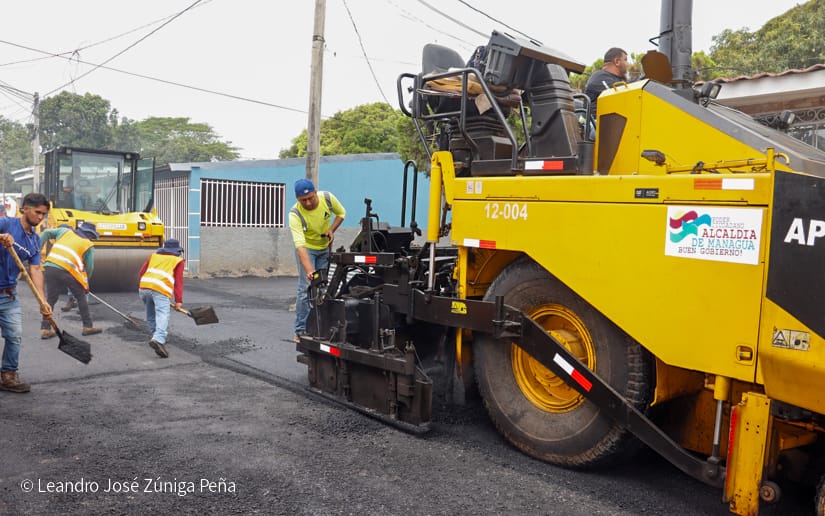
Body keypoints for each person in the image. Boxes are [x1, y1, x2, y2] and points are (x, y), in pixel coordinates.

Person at [0, 193, 52, 393]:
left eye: (43, 214)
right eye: (38, 212)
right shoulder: (5, 223)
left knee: (14, 335)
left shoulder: (35, 241)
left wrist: (43, 301)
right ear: (25, 209)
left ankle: (8, 376)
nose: (40, 218)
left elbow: (36, 270)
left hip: (8, 295)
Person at [288, 178, 346, 343]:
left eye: (310, 198)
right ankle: (300, 331)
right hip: (308, 251)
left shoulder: (327, 198)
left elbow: (341, 213)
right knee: (307, 288)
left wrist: (331, 229)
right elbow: (300, 246)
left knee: (322, 287)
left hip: (324, 249)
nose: (307, 203)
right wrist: (309, 272)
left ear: (315, 192)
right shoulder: (295, 214)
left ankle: (320, 327)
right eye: (302, 200)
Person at [39, 221, 102, 339]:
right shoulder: (88, 244)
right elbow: (89, 267)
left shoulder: (65, 231)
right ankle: (87, 327)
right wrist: (85, 284)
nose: (92, 239)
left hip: (50, 267)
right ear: (90, 235)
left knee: (51, 298)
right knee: (81, 296)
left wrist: (37, 249)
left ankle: (45, 329)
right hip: (66, 271)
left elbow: (46, 232)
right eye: (93, 237)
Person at [137, 238, 185, 358]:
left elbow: (141, 273)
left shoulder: (154, 256)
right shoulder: (178, 261)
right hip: (159, 289)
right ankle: (158, 339)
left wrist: (147, 286)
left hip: (144, 287)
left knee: (151, 314)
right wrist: (178, 301)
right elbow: (178, 282)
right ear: (177, 250)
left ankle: (156, 337)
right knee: (163, 314)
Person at [584, 47, 629, 118]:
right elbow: (623, 96)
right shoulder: (600, 77)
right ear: (617, 61)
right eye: (625, 60)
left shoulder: (618, 80)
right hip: (595, 124)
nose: (627, 64)